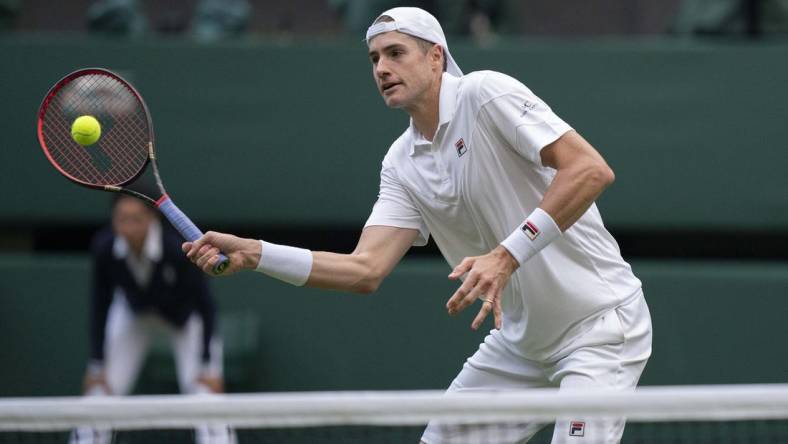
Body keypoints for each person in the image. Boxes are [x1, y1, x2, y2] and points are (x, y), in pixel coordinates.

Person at [183, 7, 652, 443]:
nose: (381, 69)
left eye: (395, 53)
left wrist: (507, 255)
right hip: (522, 346)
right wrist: (255, 253)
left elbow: (590, 170)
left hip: (600, 327)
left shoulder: (485, 93)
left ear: (435, 57)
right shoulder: (401, 163)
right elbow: (364, 270)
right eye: (373, 59)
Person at [71, 194, 235, 444]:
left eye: (136, 219)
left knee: (205, 394)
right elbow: (100, 304)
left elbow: (205, 305)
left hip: (184, 319)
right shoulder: (104, 247)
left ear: (152, 219)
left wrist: (207, 365)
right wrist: (97, 365)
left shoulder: (176, 247)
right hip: (133, 316)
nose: (129, 226)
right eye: (122, 219)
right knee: (99, 392)